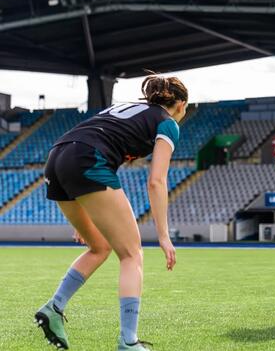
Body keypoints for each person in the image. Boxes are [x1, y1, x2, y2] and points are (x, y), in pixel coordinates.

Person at [34, 74, 188, 350]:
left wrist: (83, 200)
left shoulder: (130, 110)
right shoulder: (167, 123)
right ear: (181, 104)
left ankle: (53, 308)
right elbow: (156, 181)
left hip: (57, 158)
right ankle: (128, 342)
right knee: (131, 254)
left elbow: (96, 139)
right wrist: (164, 235)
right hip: (86, 160)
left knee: (99, 246)